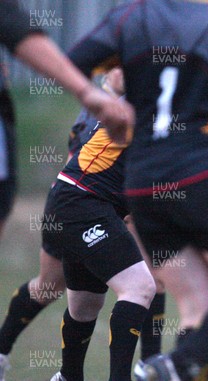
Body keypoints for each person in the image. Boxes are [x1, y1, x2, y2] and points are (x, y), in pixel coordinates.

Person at [67, 1, 208, 380]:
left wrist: (102, 103)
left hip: (144, 181)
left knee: (198, 308)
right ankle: (171, 366)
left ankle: (174, 365)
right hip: (207, 175)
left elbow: (70, 64)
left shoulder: (131, 18)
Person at [0, 68, 169, 381]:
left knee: (86, 304)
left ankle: (70, 376)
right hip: (80, 204)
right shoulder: (127, 107)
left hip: (89, 206)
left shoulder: (161, 105)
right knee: (131, 286)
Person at [0, 0, 133, 244]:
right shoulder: (92, 114)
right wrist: (85, 92)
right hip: (80, 206)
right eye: (117, 66)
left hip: (112, 209)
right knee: (48, 282)